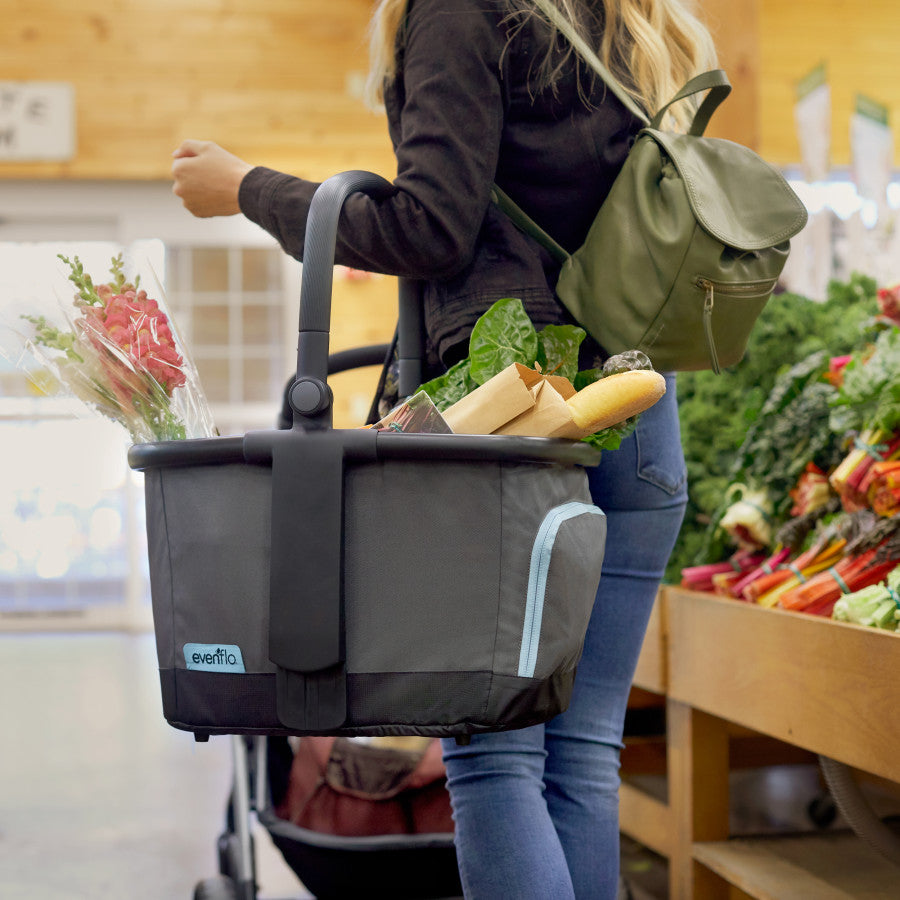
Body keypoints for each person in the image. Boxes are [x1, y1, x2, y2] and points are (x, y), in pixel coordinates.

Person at [171, 2, 714, 896]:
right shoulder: (627, 16)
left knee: (494, 757)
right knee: (581, 753)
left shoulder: (462, 9)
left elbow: (430, 226)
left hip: (517, 415)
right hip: (637, 400)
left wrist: (246, 188)